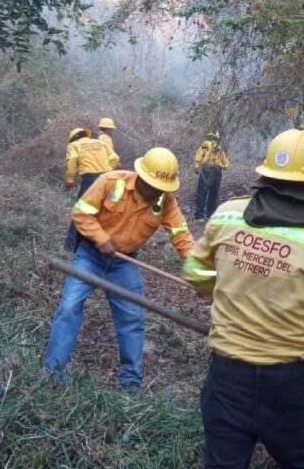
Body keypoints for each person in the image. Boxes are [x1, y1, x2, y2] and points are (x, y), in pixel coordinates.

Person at [183, 129, 304, 469]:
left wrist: (227, 295)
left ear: (266, 175)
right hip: (290, 382)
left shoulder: (227, 215)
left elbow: (195, 270)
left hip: (228, 376)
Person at [46, 147, 194, 393]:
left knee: (132, 318)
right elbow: (81, 212)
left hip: (124, 262)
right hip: (90, 256)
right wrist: (100, 237)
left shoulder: (165, 202)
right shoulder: (110, 182)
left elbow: (182, 236)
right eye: (153, 185)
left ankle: (131, 382)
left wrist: (198, 269)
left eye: (162, 188)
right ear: (141, 176)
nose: (157, 191)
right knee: (69, 307)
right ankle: (52, 373)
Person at [64, 127, 113, 250]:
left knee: (81, 211)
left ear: (75, 137)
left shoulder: (74, 145)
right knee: (104, 211)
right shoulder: (100, 142)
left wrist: (69, 181)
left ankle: (71, 245)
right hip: (109, 178)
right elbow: (115, 158)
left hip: (90, 179)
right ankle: (100, 242)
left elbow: (71, 160)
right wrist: (107, 169)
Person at [193, 131, 229, 220]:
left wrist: (196, 166)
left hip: (207, 168)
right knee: (214, 193)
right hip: (217, 170)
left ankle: (200, 215)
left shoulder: (205, 144)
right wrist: (223, 166)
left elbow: (199, 156)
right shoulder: (219, 147)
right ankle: (211, 214)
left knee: (202, 192)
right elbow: (225, 162)